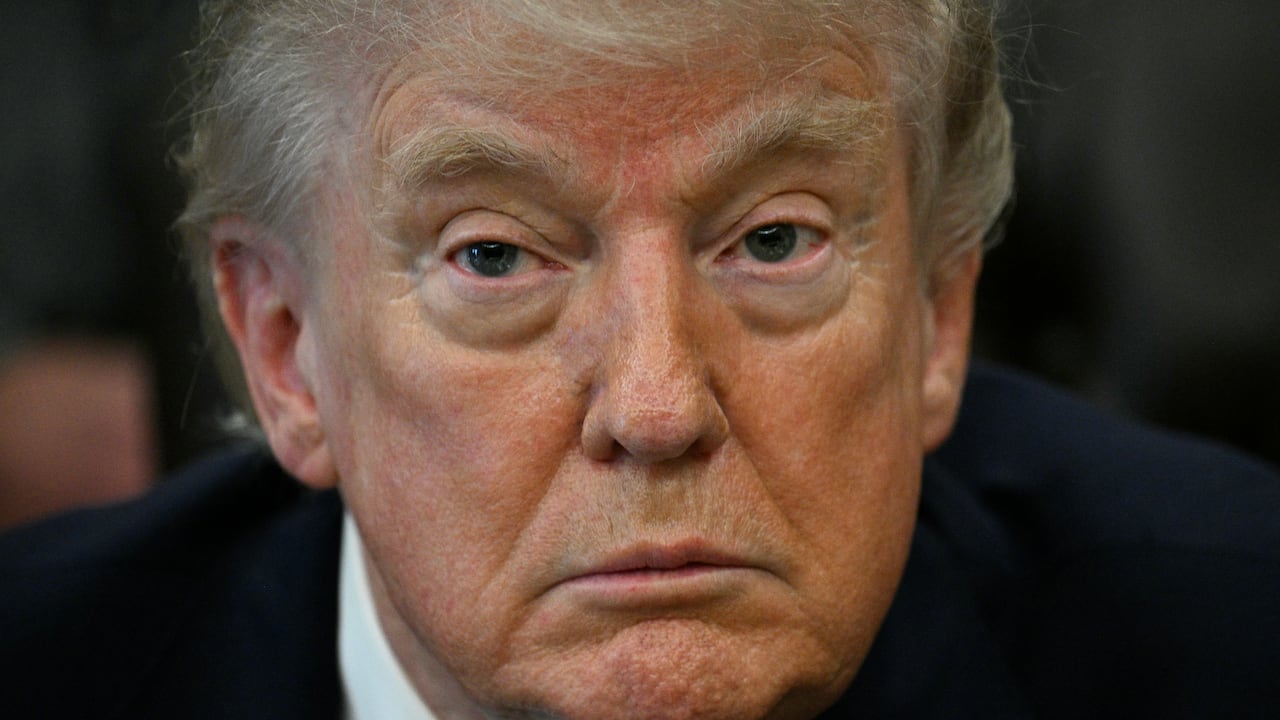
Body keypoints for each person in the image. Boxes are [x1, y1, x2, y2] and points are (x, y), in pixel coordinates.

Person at [2, 1, 1278, 718]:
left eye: (773, 240)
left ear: (935, 315)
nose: (657, 406)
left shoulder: (1233, 637)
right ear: (287, 352)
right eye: (493, 256)